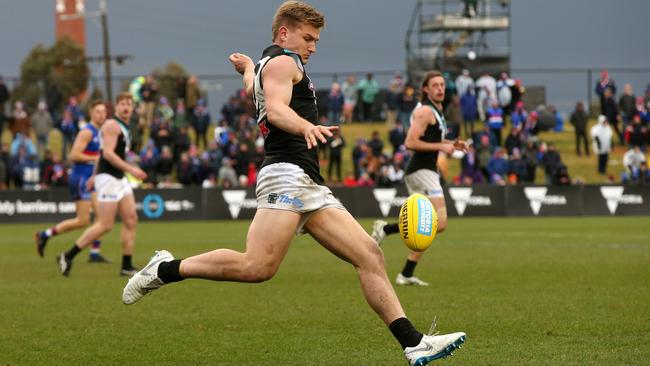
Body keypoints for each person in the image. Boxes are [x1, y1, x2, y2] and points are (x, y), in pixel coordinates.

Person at [122, 3, 465, 365]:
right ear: (284, 34)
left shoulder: (269, 65)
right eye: (308, 38)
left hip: (307, 181)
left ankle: (413, 343)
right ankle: (163, 268)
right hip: (286, 173)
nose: (313, 46)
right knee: (257, 267)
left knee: (369, 254)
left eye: (315, 40)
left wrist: (248, 68)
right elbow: (274, 109)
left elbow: (256, 89)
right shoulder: (286, 63)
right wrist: (306, 126)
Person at [372, 71, 469, 286]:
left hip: (427, 171)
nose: (440, 89)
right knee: (437, 223)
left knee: (429, 224)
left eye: (442, 85)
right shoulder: (425, 111)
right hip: (421, 171)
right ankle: (389, 237)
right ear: (425, 89)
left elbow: (434, 138)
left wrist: (452, 144)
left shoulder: (437, 109)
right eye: (435, 85)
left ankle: (405, 270)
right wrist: (442, 146)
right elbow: (411, 142)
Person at [56, 93, 147, 277]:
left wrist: (93, 176)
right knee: (105, 225)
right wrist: (132, 169)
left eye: (129, 103)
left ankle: (126, 265)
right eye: (122, 103)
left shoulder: (124, 126)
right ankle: (68, 255)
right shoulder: (112, 125)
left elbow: (101, 153)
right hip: (109, 179)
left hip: (118, 178)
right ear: (116, 106)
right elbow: (107, 155)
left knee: (131, 220)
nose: (126, 107)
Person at [36, 100, 110, 263]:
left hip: (91, 179)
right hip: (81, 178)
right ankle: (44, 235)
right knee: (83, 221)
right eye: (98, 111)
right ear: (91, 113)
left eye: (104, 112)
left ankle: (94, 253)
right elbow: (74, 155)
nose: (102, 115)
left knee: (101, 219)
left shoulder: (102, 132)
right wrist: (97, 158)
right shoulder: (87, 132)